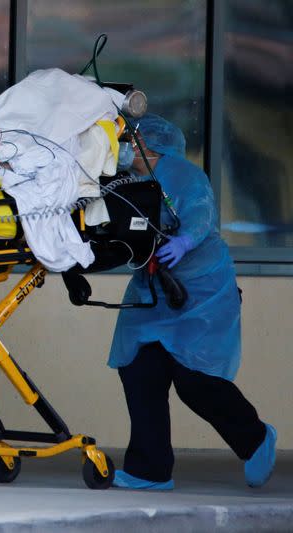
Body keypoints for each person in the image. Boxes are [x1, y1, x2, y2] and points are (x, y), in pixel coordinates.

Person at [108, 114, 276, 490]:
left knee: (195, 382)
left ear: (148, 146)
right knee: (139, 370)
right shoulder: (127, 181)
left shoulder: (182, 175)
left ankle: (256, 439)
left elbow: (200, 214)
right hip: (153, 290)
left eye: (129, 141)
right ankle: (148, 470)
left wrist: (184, 240)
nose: (123, 148)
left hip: (201, 293)